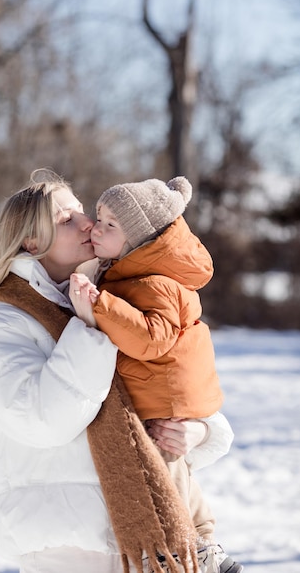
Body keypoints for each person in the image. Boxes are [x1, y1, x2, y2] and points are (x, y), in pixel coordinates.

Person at [0, 169, 238, 573]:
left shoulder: (107, 296)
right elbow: (43, 420)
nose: (87, 223)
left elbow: (167, 379)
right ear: (32, 241)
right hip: (66, 549)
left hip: (142, 545)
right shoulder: (1, 322)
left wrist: (200, 431)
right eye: (66, 219)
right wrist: (89, 326)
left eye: (81, 212)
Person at [70, 176, 243, 573]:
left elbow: (151, 339)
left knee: (163, 476)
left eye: (110, 225)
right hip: (160, 395)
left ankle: (190, 545)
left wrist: (100, 306)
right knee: (175, 469)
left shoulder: (153, 283)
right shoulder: (131, 275)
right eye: (99, 217)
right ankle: (205, 543)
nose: (96, 228)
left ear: (138, 242)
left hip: (162, 399)